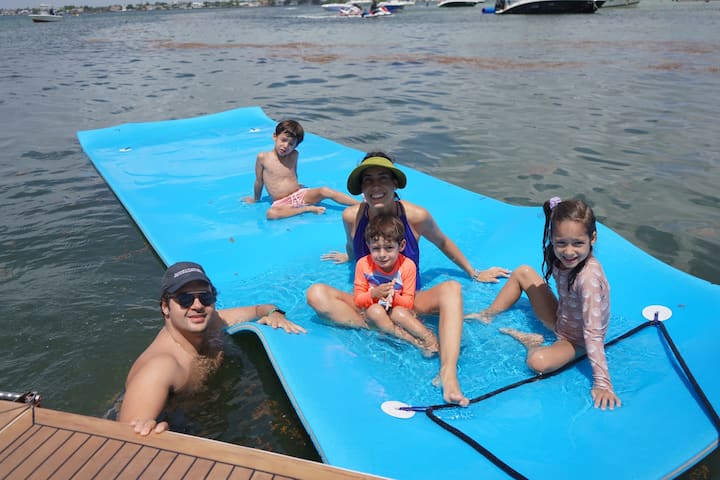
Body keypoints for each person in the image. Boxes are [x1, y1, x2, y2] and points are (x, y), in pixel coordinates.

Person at [306, 152, 510, 406]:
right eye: (368, 180)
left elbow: (443, 242)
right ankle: (382, 325)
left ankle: (448, 373)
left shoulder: (416, 216)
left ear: (395, 183)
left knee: (451, 289)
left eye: (383, 178)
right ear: (361, 188)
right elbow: (352, 244)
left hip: (409, 300)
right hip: (370, 303)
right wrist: (349, 258)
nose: (375, 186)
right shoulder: (351, 216)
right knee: (316, 294)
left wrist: (474, 272)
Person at [466, 197, 621, 410]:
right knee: (523, 272)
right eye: (561, 243)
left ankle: (532, 343)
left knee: (537, 362)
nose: (569, 252)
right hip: (561, 319)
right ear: (551, 237)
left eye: (578, 243)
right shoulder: (557, 257)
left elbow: (593, 333)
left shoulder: (589, 279)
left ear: (592, 238)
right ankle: (487, 314)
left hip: (578, 340)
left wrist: (603, 383)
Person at [118, 261, 307, 436]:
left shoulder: (213, 321)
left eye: (205, 297)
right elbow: (123, 439)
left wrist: (275, 314)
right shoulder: (160, 367)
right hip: (173, 425)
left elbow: (260, 309)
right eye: (185, 299)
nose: (197, 305)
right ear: (165, 307)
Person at [354, 214, 439, 356]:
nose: (382, 254)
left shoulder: (407, 266)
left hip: (398, 310)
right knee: (375, 311)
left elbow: (409, 302)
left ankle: (430, 339)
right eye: (376, 248)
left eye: (389, 247)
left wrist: (393, 297)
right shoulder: (363, 264)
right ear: (368, 246)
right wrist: (374, 294)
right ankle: (413, 341)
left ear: (402, 246)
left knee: (399, 313)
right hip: (374, 314)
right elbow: (358, 300)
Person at [243, 120, 359, 220]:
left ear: (295, 146)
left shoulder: (294, 155)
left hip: (299, 195)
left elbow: (292, 174)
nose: (285, 146)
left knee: (325, 190)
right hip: (282, 203)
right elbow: (259, 181)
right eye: (283, 140)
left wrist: (296, 185)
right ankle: (306, 209)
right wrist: (256, 199)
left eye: (291, 144)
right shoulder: (263, 158)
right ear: (275, 136)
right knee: (271, 214)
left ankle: (360, 204)